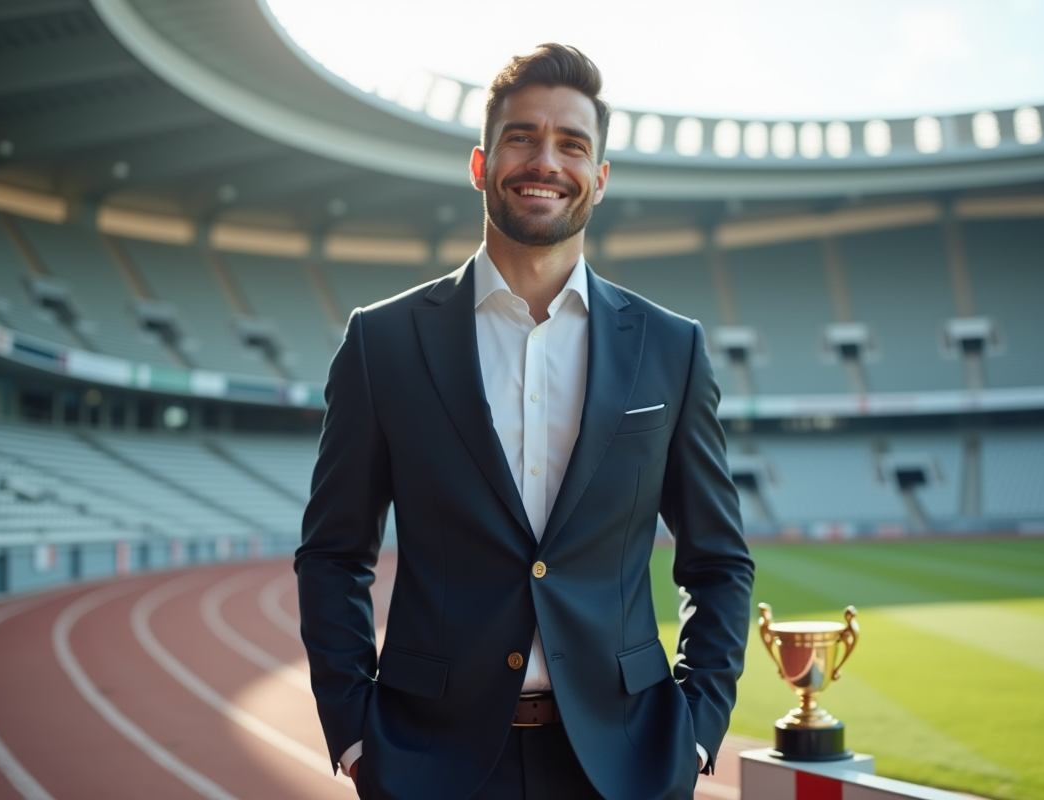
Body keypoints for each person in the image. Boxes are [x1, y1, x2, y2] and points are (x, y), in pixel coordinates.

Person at [296, 43, 754, 800]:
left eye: (572, 144)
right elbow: (333, 554)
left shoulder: (673, 348)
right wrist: (352, 734)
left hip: (624, 762)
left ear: (599, 179)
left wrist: (698, 729)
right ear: (481, 165)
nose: (546, 160)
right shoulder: (382, 343)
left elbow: (718, 561)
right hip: (429, 762)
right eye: (522, 137)